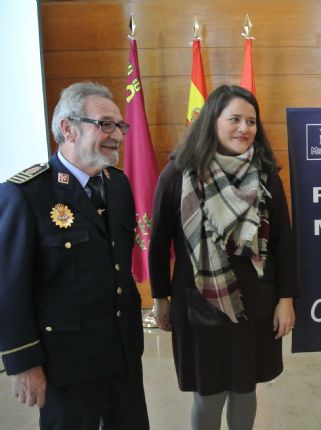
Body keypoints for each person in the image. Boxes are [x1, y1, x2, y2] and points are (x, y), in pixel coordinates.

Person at [0, 82, 149, 429]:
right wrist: (24, 362)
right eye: (105, 124)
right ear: (67, 127)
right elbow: (9, 287)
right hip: (66, 361)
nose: (118, 135)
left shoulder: (117, 184)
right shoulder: (27, 194)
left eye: (120, 126)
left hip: (122, 351)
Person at [149, 84, 297, 430]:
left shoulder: (265, 174)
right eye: (234, 119)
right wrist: (160, 298)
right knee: (209, 392)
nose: (244, 129)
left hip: (255, 302)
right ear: (212, 121)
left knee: (245, 389)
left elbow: (283, 241)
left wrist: (286, 299)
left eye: (251, 121)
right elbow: (159, 243)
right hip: (199, 302)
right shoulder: (178, 174)